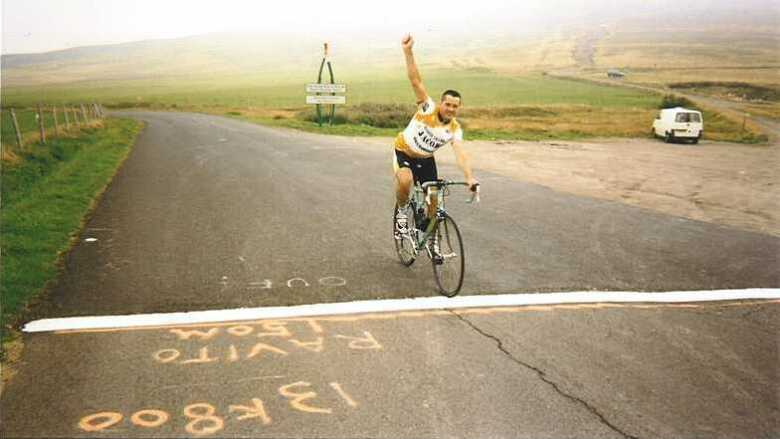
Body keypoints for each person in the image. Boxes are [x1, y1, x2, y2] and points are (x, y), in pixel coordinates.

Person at [393, 33, 478, 241]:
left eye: (455, 106)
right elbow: (415, 80)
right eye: (448, 104)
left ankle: (426, 235)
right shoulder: (427, 108)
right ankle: (402, 214)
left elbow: (461, 155)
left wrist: (469, 178)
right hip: (404, 151)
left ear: (458, 108)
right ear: (441, 103)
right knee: (405, 180)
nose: (450, 108)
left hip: (425, 159)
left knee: (434, 199)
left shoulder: (454, 129)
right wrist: (408, 51)